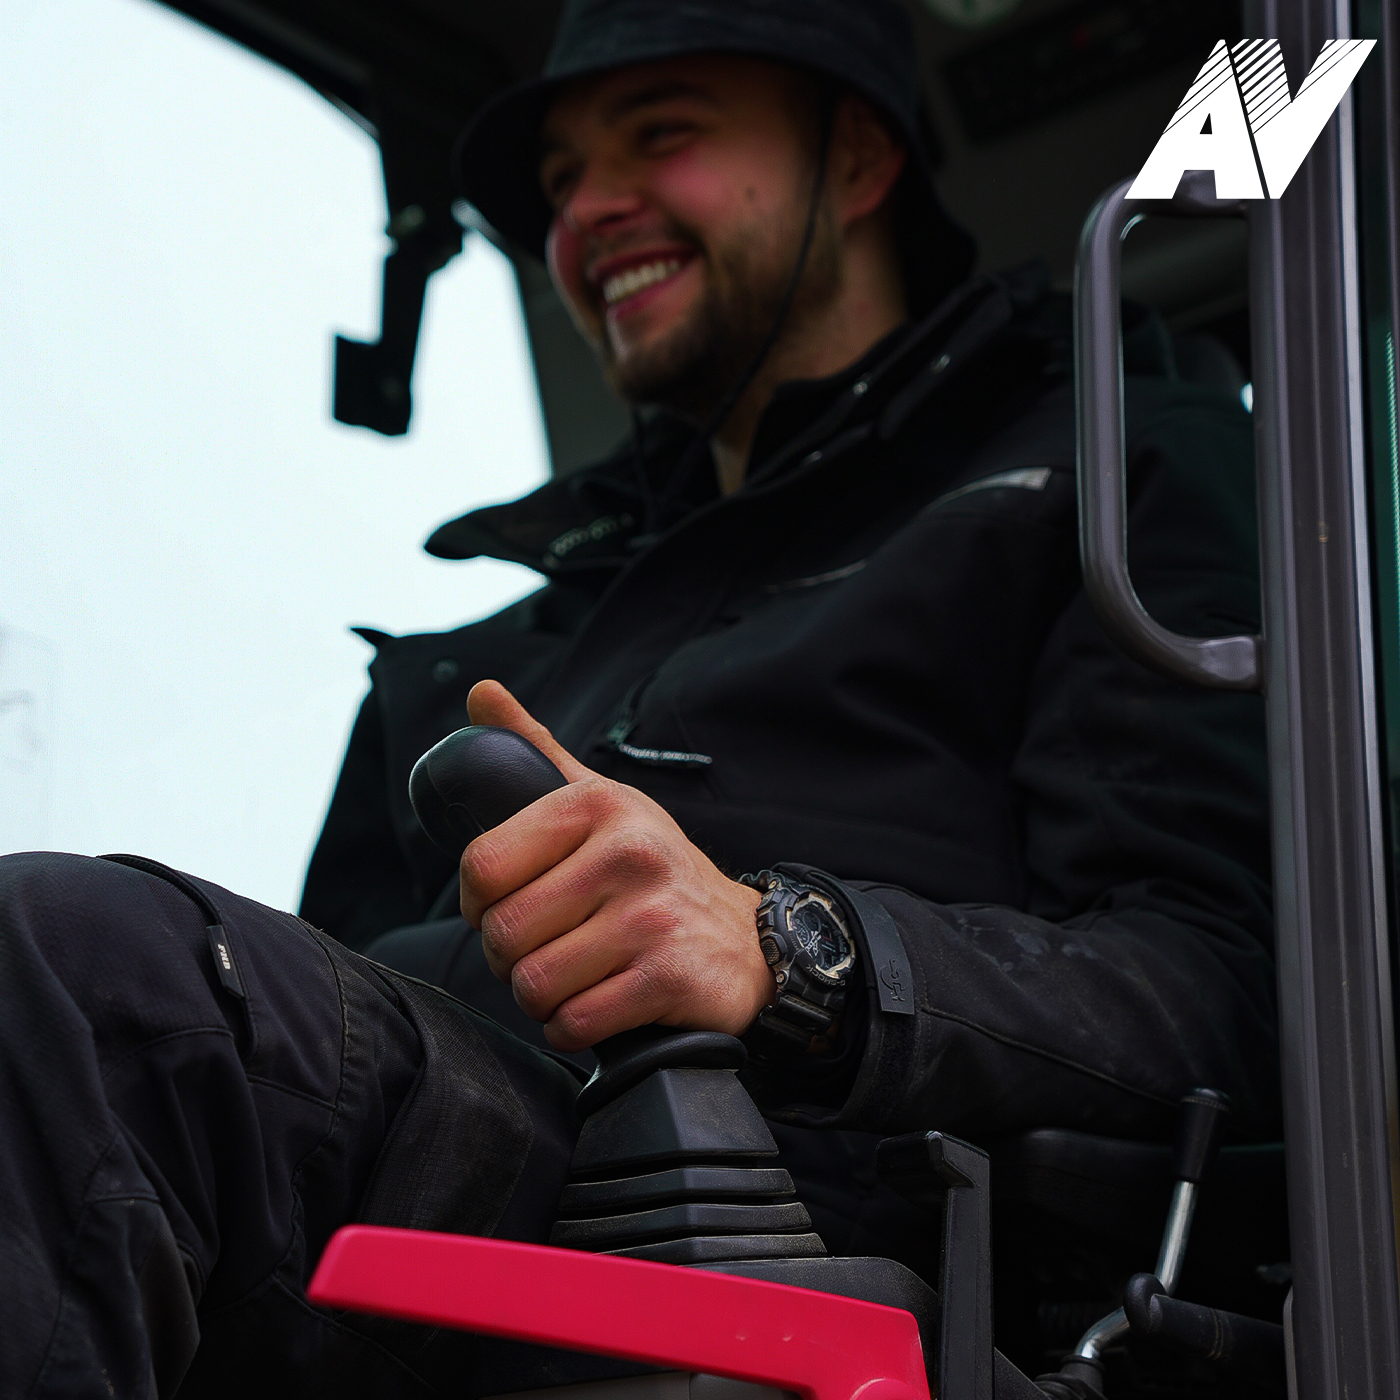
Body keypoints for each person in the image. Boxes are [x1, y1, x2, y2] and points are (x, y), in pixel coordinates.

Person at [0, 0, 1274, 1395]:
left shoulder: (1102, 479)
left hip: (787, 1223)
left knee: (92, 981)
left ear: (856, 159)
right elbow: (295, 1039)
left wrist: (789, 955)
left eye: (661, 135)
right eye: (561, 183)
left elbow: (1219, 987)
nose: (589, 212)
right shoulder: (489, 650)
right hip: (440, 1195)